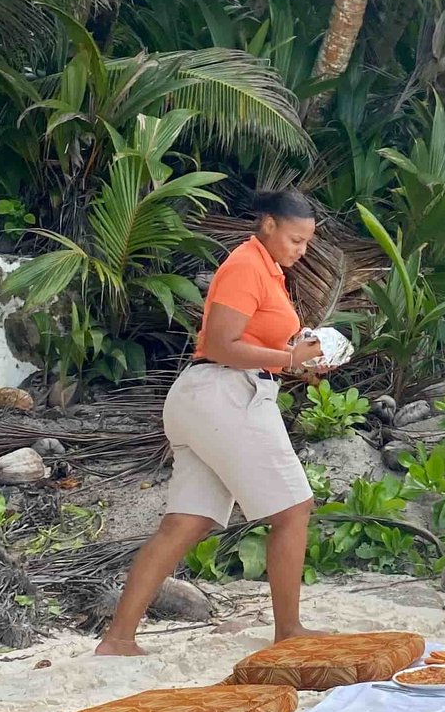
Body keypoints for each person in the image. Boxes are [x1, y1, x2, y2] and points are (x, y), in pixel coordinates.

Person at [95, 189, 326, 656]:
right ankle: (290, 632)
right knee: (294, 509)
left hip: (207, 397)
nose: (302, 251)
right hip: (225, 393)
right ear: (268, 225)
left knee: (186, 522)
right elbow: (221, 344)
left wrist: (299, 364)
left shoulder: (269, 273)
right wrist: (287, 357)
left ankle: (118, 640)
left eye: (307, 243)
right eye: (296, 240)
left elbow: (254, 347)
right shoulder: (246, 264)